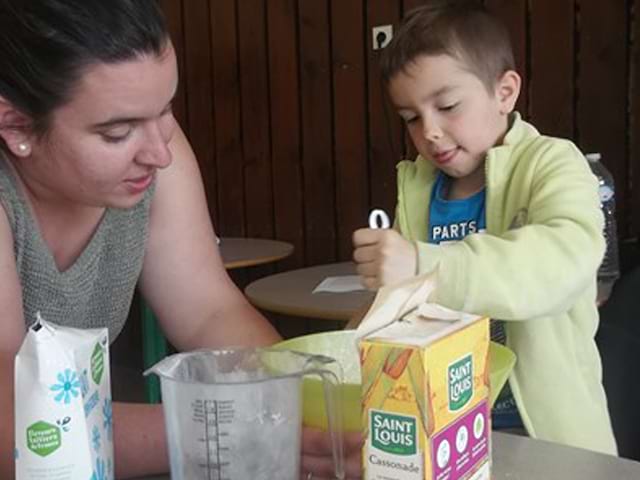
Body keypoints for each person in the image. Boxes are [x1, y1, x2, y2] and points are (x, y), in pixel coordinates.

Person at [0, 1, 361, 478]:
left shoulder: (151, 151)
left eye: (166, 108)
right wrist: (236, 430)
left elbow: (210, 310)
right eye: (117, 132)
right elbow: (11, 422)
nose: (159, 153)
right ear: (16, 126)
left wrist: (305, 408)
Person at [352, 0, 617, 455]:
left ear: (505, 92)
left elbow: (564, 261)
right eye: (411, 118)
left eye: (448, 106)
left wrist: (424, 266)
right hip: (445, 432)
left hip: (550, 440)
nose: (429, 131)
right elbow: (401, 308)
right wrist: (355, 344)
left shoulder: (553, 164)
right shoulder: (417, 189)